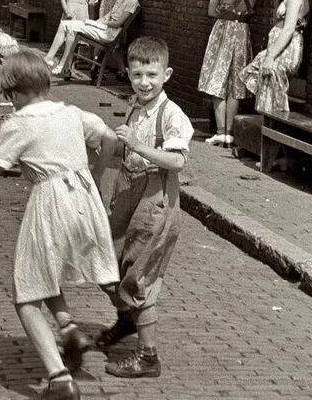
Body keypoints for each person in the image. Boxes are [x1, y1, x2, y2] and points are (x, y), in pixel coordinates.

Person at [0, 51, 120, 400]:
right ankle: (69, 328)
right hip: (85, 198)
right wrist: (95, 174)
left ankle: (59, 379)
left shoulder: (17, 123)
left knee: (26, 293)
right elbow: (110, 138)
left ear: (15, 93)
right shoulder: (70, 112)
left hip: (51, 203)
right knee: (45, 271)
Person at [93, 37, 193, 378]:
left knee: (139, 277)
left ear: (166, 74)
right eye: (137, 75)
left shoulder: (170, 114)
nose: (144, 82)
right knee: (110, 264)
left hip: (156, 204)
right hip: (129, 196)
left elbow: (177, 162)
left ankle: (148, 357)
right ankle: (127, 321)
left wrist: (138, 145)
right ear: (128, 74)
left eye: (151, 75)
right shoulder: (135, 105)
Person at [198, 0, 262, 146]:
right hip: (243, 34)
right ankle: (231, 133)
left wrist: (225, 14)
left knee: (217, 82)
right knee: (235, 85)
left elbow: (210, 11)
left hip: (223, 33)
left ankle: (220, 132)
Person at [239, 0, 311, 114]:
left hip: (285, 50)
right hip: (281, 48)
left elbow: (288, 30)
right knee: (268, 91)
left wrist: (270, 57)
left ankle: (274, 130)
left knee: (272, 96)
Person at [51, 0, 140, 78]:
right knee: (71, 25)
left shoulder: (132, 2)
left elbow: (118, 23)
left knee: (70, 26)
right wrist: (94, 23)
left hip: (109, 33)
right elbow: (108, 16)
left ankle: (62, 64)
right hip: (104, 28)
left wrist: (101, 23)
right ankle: (66, 66)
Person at [44, 0, 98, 69]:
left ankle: (66, 67)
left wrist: (93, 2)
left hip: (81, 15)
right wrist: (67, 11)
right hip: (69, 14)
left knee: (73, 41)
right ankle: (49, 57)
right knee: (60, 34)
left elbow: (89, 1)